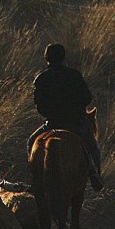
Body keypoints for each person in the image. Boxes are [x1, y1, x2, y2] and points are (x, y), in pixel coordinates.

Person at [31, 42, 101, 191]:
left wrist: (53, 114)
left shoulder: (41, 79)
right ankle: (95, 176)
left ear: (46, 58)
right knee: (92, 147)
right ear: (64, 58)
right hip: (76, 124)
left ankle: (34, 181)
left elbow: (40, 107)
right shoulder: (75, 75)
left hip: (53, 124)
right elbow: (87, 98)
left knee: (31, 142)